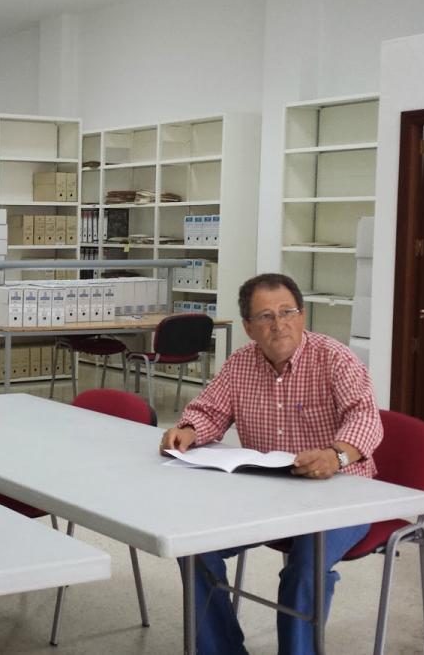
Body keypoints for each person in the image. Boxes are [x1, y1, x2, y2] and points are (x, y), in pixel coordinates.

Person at [160, 273, 383, 655]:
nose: (278, 325)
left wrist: (336, 455)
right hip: (266, 492)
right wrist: (189, 430)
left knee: (305, 568)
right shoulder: (240, 364)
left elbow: (366, 418)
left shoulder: (335, 357)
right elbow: (210, 410)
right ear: (248, 327)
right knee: (195, 548)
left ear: (303, 315)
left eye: (287, 312)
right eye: (265, 317)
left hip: (342, 493)